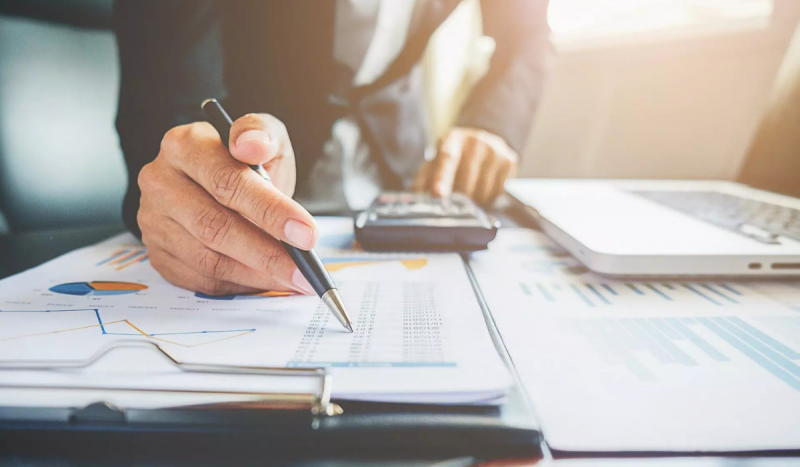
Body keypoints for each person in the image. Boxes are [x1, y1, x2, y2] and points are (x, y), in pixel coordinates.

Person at [113, 0, 552, 297]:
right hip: (255, 179)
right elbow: (165, 85)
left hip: (404, 180)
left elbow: (526, 32)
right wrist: (185, 179)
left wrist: (492, 126)